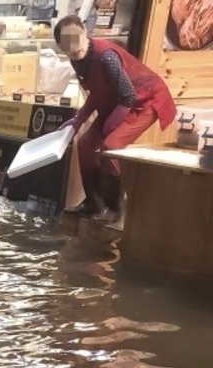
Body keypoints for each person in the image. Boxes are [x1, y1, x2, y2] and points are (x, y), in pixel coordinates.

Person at [55, 15, 176, 225]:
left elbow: (128, 94)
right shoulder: (76, 61)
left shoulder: (105, 56)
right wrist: (78, 119)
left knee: (111, 144)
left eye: (76, 37)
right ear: (61, 47)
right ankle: (94, 204)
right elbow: (95, 92)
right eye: (67, 43)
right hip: (115, 103)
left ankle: (115, 208)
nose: (74, 47)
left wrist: (110, 125)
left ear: (84, 32)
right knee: (83, 145)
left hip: (143, 100)